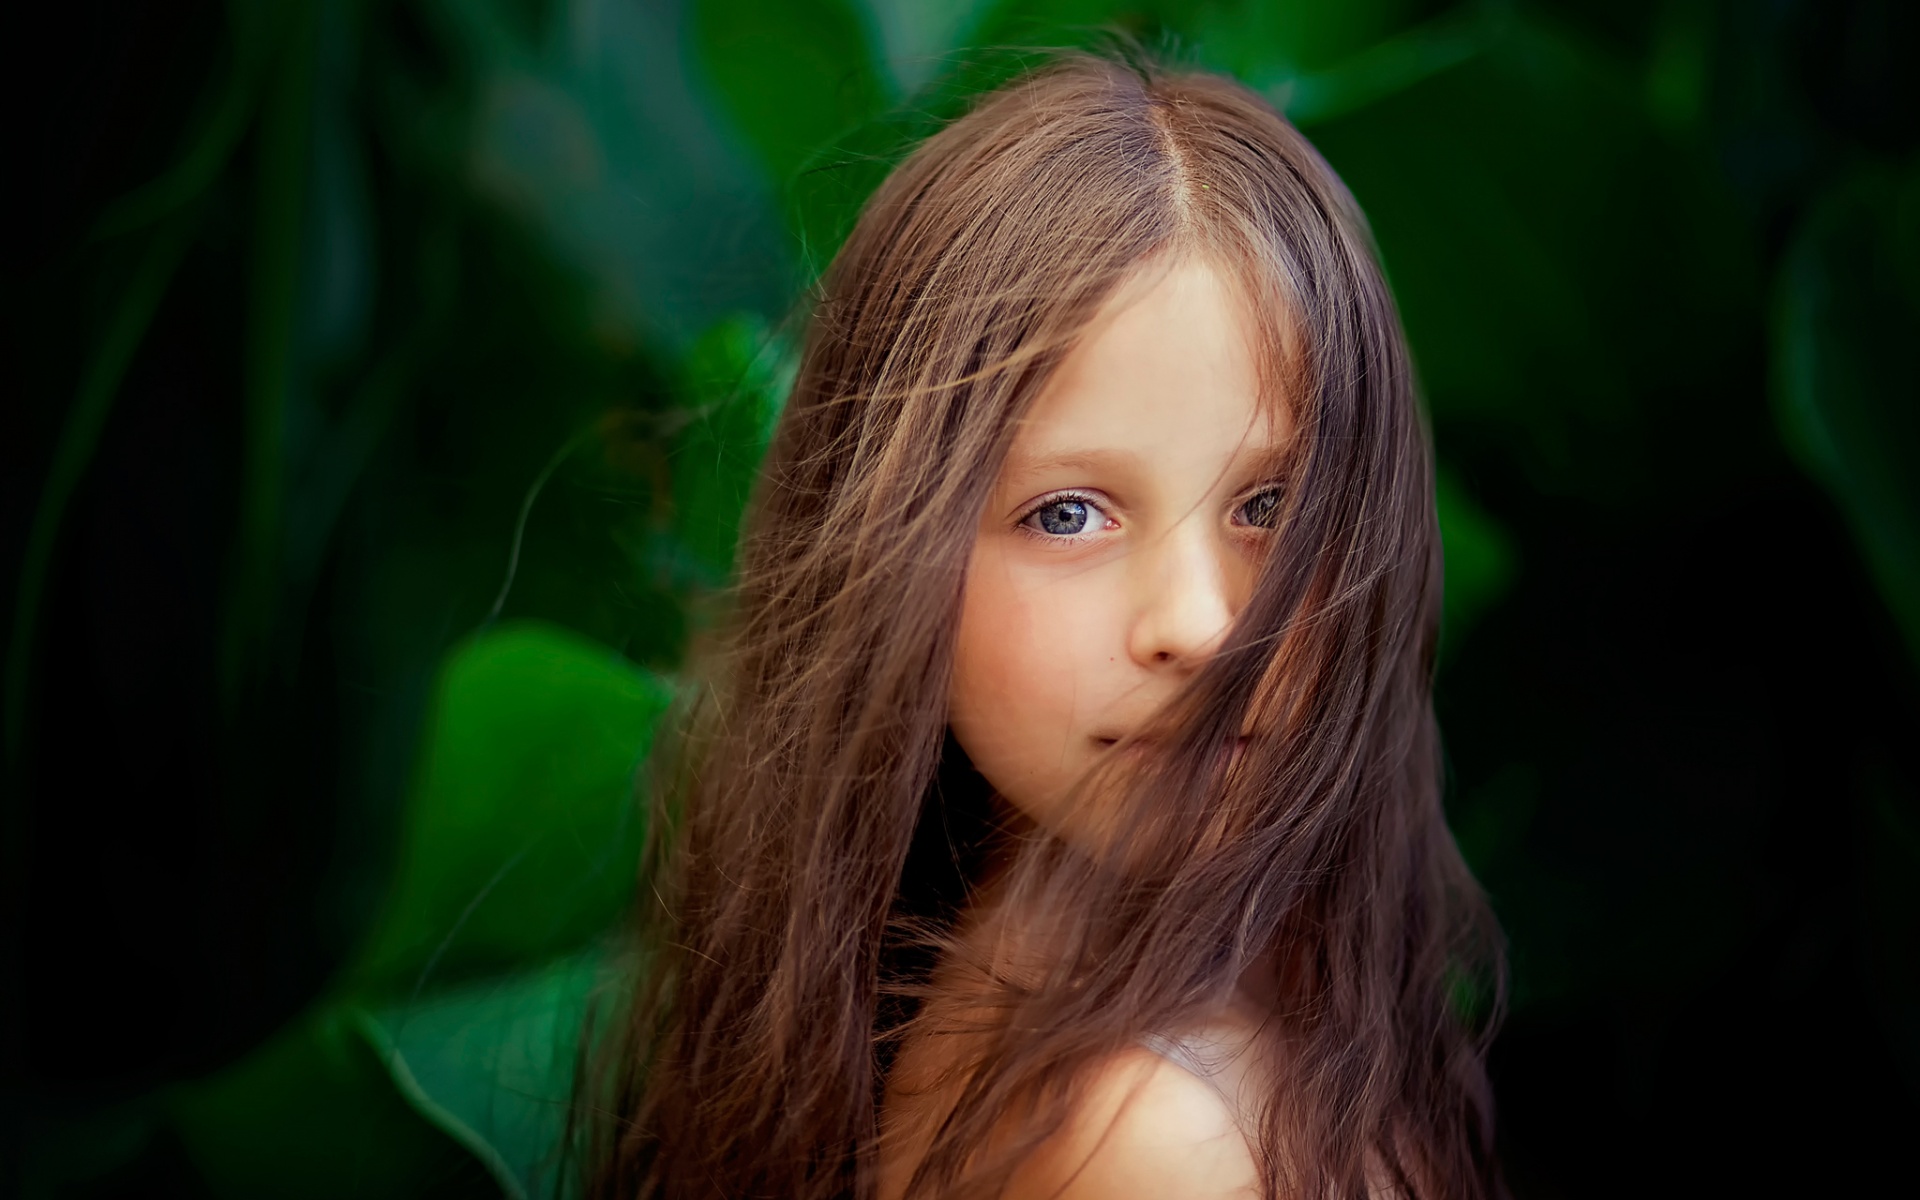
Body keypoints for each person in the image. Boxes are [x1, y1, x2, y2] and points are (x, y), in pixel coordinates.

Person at [581, 53, 1504, 1200]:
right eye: (1067, 515)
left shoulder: (1202, 971)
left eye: (1272, 508)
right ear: (892, 559)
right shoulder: (1145, 1137)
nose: (1199, 625)